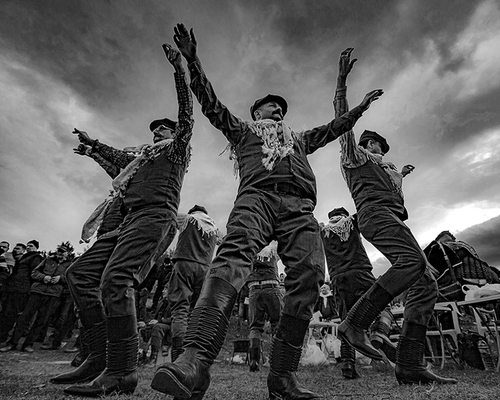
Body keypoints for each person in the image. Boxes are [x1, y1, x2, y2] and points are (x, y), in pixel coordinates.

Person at [151, 24, 383, 400]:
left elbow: (334, 128)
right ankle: (194, 361)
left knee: (310, 275)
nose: (278, 109)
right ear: (256, 111)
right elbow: (211, 105)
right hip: (256, 199)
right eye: (271, 105)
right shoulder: (244, 132)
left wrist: (359, 108)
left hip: (300, 208)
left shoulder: (299, 140)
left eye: (281, 108)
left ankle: (282, 377)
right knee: (230, 261)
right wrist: (193, 61)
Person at [54, 43, 193, 397]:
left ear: (175, 133)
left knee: (116, 280)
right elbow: (117, 158)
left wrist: (180, 71)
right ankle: (98, 355)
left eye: (164, 129)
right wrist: (94, 146)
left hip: (155, 218)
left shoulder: (178, 151)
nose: (157, 132)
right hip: (127, 223)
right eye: (155, 130)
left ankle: (122, 371)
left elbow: (186, 113)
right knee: (79, 274)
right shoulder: (141, 161)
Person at [332, 48, 456, 385]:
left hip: (392, 218)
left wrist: (401, 175)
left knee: (426, 282)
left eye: (380, 145)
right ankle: (355, 322)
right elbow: (343, 125)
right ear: (365, 144)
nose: (377, 147)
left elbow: (394, 192)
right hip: (374, 215)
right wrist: (342, 83)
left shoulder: (387, 172)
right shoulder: (354, 157)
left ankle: (409, 363)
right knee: (412, 263)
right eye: (372, 142)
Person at [319, 206, 396, 379]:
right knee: (383, 304)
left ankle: (348, 365)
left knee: (347, 323)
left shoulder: (323, 232)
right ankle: (379, 331)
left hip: (338, 279)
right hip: (360, 272)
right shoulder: (352, 222)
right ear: (344, 215)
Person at [167, 205, 221, 362]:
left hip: (184, 264)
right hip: (205, 269)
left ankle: (178, 354)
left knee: (180, 308)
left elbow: (168, 218)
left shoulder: (187, 218)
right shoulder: (213, 227)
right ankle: (192, 354)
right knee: (196, 311)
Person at [0, 242, 72, 353]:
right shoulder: (47, 261)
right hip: (37, 292)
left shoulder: (70, 265)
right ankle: (12, 343)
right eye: (59, 251)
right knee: (24, 317)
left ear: (68, 253)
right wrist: (44, 277)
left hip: (53, 295)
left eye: (63, 252)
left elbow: (71, 278)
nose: (60, 253)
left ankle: (28, 344)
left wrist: (60, 278)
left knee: (41, 320)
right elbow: (34, 273)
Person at [0, 242, 42, 344]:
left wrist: (28, 288)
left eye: (31, 246)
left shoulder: (36, 258)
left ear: (36, 248)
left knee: (10, 313)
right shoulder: (25, 257)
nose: (28, 247)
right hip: (13, 287)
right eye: (28, 246)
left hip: (20, 289)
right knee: (6, 312)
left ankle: (1, 335)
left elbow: (33, 273)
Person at [244, 242, 283, 372]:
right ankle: (277, 360)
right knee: (277, 323)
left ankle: (254, 361)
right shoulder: (273, 249)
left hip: (254, 288)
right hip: (271, 285)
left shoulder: (250, 248)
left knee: (255, 327)